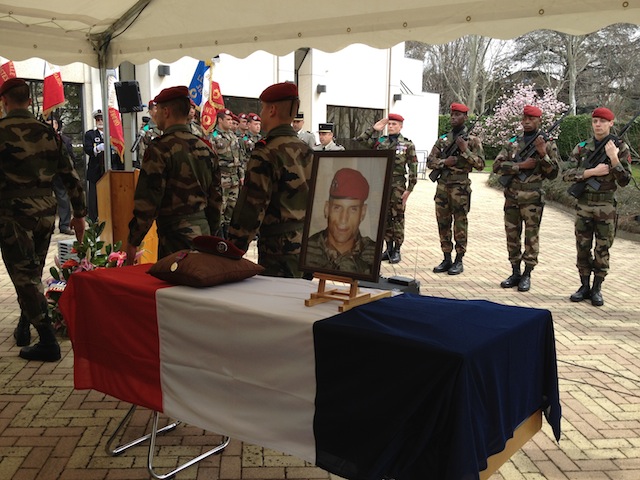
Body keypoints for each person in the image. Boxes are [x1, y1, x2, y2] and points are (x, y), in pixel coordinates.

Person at [0, 78, 86, 361]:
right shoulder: (49, 133)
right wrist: (79, 214)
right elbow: (71, 176)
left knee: (24, 275)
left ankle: (47, 340)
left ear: (4, 101)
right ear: (29, 100)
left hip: (13, 215)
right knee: (32, 272)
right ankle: (25, 325)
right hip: (45, 213)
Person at [126, 85, 222, 263]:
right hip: (203, 234)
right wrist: (211, 231)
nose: (155, 114)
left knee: (175, 279)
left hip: (174, 238)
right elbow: (216, 199)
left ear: (166, 111)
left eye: (157, 110)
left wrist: (134, 239)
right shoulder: (206, 147)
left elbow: (148, 201)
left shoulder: (160, 148)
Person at [228, 82, 314, 277]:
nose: (262, 113)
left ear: (272, 110)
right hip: (308, 245)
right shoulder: (306, 150)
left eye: (263, 108)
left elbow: (251, 207)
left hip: (279, 250)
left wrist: (233, 248)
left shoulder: (266, 151)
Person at [562, 107, 631, 306]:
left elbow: (625, 180)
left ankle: (597, 288)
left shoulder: (619, 147)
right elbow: (566, 174)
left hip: (606, 206)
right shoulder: (582, 147)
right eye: (595, 121)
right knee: (582, 247)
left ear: (611, 123)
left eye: (602, 121)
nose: (598, 124)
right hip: (584, 205)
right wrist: (590, 172)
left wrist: (614, 158)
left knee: (603, 248)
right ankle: (584, 286)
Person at [492, 105, 560, 292]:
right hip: (512, 197)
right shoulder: (513, 142)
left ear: (539, 121)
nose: (527, 122)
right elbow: (497, 166)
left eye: (531, 119)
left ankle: (527, 274)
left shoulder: (547, 144)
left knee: (531, 237)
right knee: (512, 235)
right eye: (525, 118)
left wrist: (542, 153)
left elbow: (553, 173)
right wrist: (520, 166)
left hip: (532, 200)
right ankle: (515, 272)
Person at [427, 103, 485, 275]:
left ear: (465, 117)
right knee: (443, 223)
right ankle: (446, 258)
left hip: (460, 189)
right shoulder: (443, 139)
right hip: (442, 188)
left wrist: (465, 150)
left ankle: (459, 260)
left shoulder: (472, 141)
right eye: (452, 114)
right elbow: (430, 161)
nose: (453, 117)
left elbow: (481, 165)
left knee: (460, 224)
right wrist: (444, 162)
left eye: (458, 114)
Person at [356, 113, 417, 264]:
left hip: (397, 186)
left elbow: (413, 168)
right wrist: (373, 129)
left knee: (397, 217)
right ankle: (388, 248)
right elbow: (360, 141)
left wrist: (409, 189)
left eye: (394, 124)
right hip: (380, 185)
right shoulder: (381, 142)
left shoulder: (407, 145)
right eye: (389, 124)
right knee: (384, 217)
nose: (391, 126)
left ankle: (397, 249)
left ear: (401, 126)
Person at [305, 168, 376, 275]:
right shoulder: (306, 249)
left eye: (353, 209)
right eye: (337, 208)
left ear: (363, 212)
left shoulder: (372, 253)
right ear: (327, 209)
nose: (343, 219)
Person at [82, 108, 122, 222]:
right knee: (94, 198)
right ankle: (93, 221)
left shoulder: (113, 135)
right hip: (96, 171)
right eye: (98, 119)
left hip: (111, 169)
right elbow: (88, 148)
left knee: (111, 196)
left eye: (102, 119)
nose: (100, 121)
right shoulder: (90, 134)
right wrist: (97, 148)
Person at [211, 109, 243, 238]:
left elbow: (239, 157)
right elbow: (212, 159)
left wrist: (241, 175)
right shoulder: (214, 137)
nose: (231, 122)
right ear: (220, 120)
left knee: (232, 207)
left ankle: (229, 235)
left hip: (234, 177)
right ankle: (220, 237)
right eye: (228, 120)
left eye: (231, 120)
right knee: (221, 208)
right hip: (222, 177)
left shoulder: (233, 136)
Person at [45, 115, 76, 235]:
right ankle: (48, 226)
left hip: (60, 175)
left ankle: (64, 225)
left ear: (57, 125)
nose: (50, 127)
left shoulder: (65, 140)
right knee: (47, 201)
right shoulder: (40, 140)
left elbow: (71, 157)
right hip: (46, 175)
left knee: (63, 199)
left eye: (52, 124)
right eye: (48, 124)